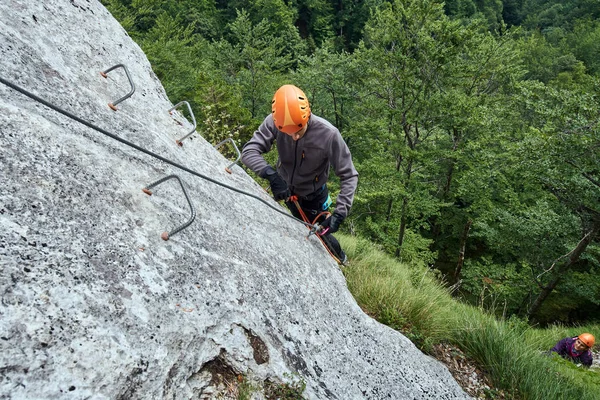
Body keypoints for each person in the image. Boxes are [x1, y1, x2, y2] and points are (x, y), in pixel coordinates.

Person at [241, 84, 358, 264]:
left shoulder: (328, 134)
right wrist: (271, 175)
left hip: (314, 198)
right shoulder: (274, 121)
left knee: (321, 238)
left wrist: (339, 214)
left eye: (299, 130)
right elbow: (249, 151)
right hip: (284, 191)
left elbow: (349, 175)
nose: (294, 137)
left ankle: (342, 259)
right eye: (288, 133)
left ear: (308, 114)